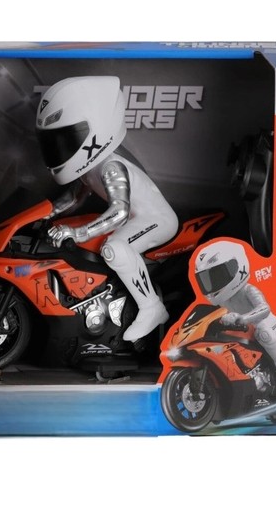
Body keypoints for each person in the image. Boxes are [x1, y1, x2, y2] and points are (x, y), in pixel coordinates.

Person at [36, 76, 179, 343]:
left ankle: (152, 308)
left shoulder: (111, 167)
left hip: (156, 220)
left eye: (68, 140)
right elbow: (73, 198)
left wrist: (76, 233)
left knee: (114, 249)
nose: (60, 149)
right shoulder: (88, 168)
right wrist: (42, 214)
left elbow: (120, 211)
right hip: (134, 219)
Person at [194, 240, 276, 394]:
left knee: (262, 332)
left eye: (218, 275)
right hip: (244, 331)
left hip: (268, 324)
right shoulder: (223, 300)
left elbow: (264, 309)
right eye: (208, 278)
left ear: (237, 266)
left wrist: (243, 318)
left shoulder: (248, 290)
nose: (213, 282)